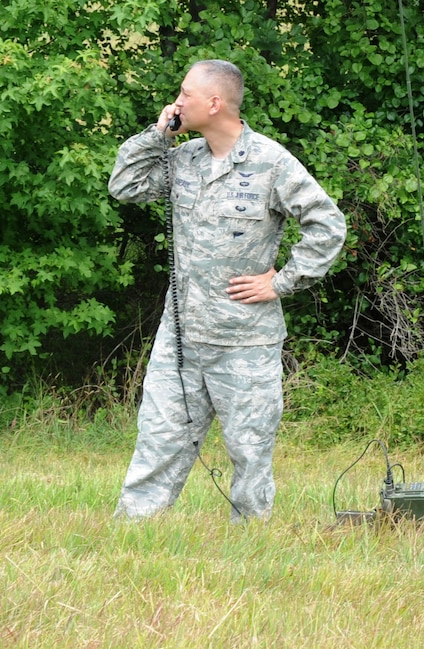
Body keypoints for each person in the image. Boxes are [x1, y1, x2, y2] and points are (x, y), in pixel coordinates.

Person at [108, 59, 347, 521]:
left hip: (244, 340)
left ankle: (250, 543)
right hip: (181, 335)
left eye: (185, 95)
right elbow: (125, 185)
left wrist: (282, 282)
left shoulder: (270, 162)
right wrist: (159, 135)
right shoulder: (182, 160)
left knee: (249, 452)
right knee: (159, 438)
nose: (175, 102)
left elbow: (328, 225)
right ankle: (133, 533)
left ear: (214, 103)